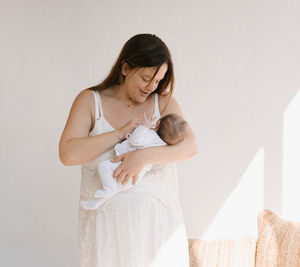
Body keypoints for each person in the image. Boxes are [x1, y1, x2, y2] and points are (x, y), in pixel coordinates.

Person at [59, 33, 198, 267]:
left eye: (158, 81)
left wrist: (141, 157)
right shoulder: (90, 101)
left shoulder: (163, 103)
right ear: (125, 68)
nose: (151, 87)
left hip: (157, 234)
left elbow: (191, 146)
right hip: (105, 235)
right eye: (146, 78)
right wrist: (120, 132)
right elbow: (68, 154)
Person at [80, 112, 188, 210]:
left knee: (103, 167)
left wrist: (143, 126)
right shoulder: (163, 147)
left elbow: (135, 141)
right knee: (110, 192)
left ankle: (107, 190)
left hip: (123, 168)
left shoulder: (151, 135)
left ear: (158, 123)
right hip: (133, 178)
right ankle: (95, 203)